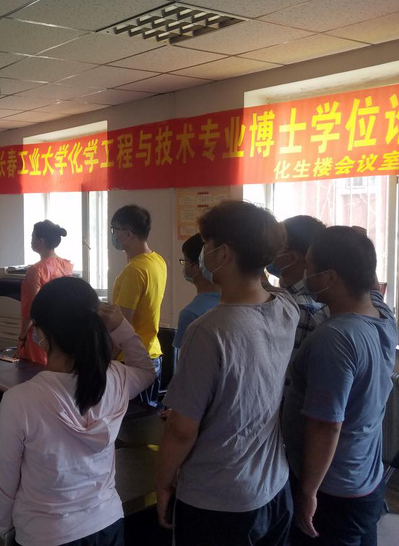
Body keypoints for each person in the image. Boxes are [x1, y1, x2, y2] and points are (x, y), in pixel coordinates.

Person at [155, 200, 298, 546]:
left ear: (224, 254)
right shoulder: (285, 306)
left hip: (219, 499)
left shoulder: (209, 330)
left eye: (206, 244)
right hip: (274, 487)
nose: (202, 253)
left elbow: (182, 429)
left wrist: (163, 483)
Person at [0, 277, 155, 546]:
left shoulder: (19, 401)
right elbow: (147, 371)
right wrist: (122, 329)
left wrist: (5, 528)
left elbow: (4, 482)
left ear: (44, 333)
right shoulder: (115, 379)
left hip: (45, 534)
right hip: (107, 524)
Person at [282, 226, 396, 546]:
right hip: (365, 479)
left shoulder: (335, 338)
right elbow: (370, 282)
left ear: (330, 277)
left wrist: (308, 492)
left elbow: (326, 425)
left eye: (310, 267)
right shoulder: (382, 315)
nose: (306, 274)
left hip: (333, 489)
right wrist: (357, 244)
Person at [109, 205, 167, 406]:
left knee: (130, 420)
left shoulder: (134, 271)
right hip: (152, 354)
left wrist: (106, 360)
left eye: (114, 230)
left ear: (128, 234)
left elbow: (122, 324)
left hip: (131, 360)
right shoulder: (157, 260)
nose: (113, 235)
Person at [267, 215, 329, 349]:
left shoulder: (299, 308)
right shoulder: (292, 296)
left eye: (275, 244)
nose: (267, 249)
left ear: (291, 257)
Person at [17, 220, 74, 365]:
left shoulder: (36, 270)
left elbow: (31, 310)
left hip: (41, 334)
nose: (31, 240)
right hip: (63, 331)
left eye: (32, 237)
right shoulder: (66, 265)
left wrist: (21, 337)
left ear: (41, 241)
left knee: (35, 371)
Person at [174, 233, 220, 367]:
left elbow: (185, 368)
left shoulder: (191, 313)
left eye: (185, 261)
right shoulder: (231, 301)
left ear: (198, 264)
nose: (184, 267)